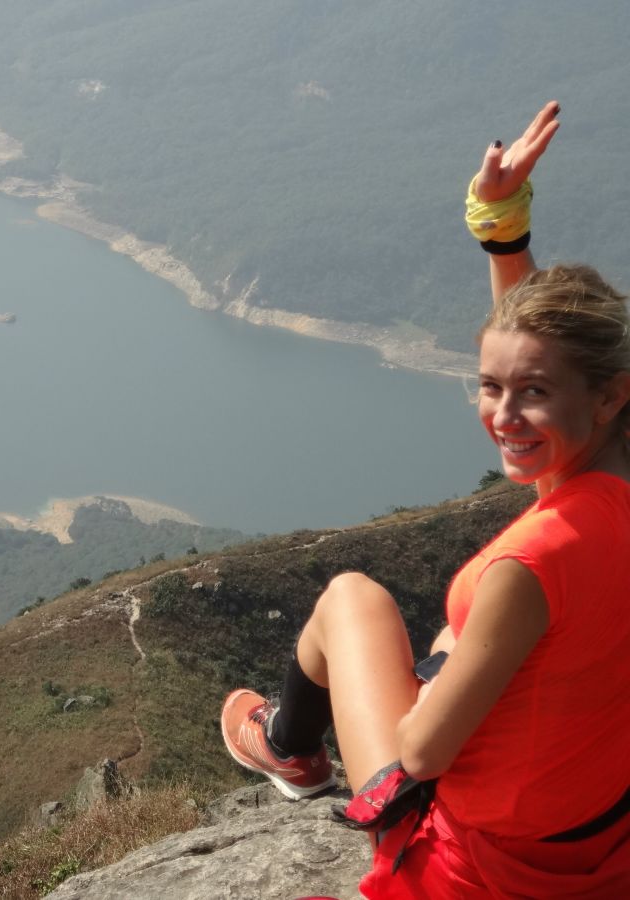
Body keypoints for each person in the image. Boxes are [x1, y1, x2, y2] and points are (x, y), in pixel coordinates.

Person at [220, 101, 630, 896]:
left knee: (351, 600)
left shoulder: (531, 561)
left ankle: (288, 746)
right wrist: (502, 231)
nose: (502, 416)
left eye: (531, 394)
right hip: (594, 838)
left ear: (609, 397)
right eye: (489, 387)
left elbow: (421, 753)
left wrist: (439, 673)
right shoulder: (608, 476)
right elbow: (551, 354)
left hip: (483, 864)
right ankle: (290, 740)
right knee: (448, 629)